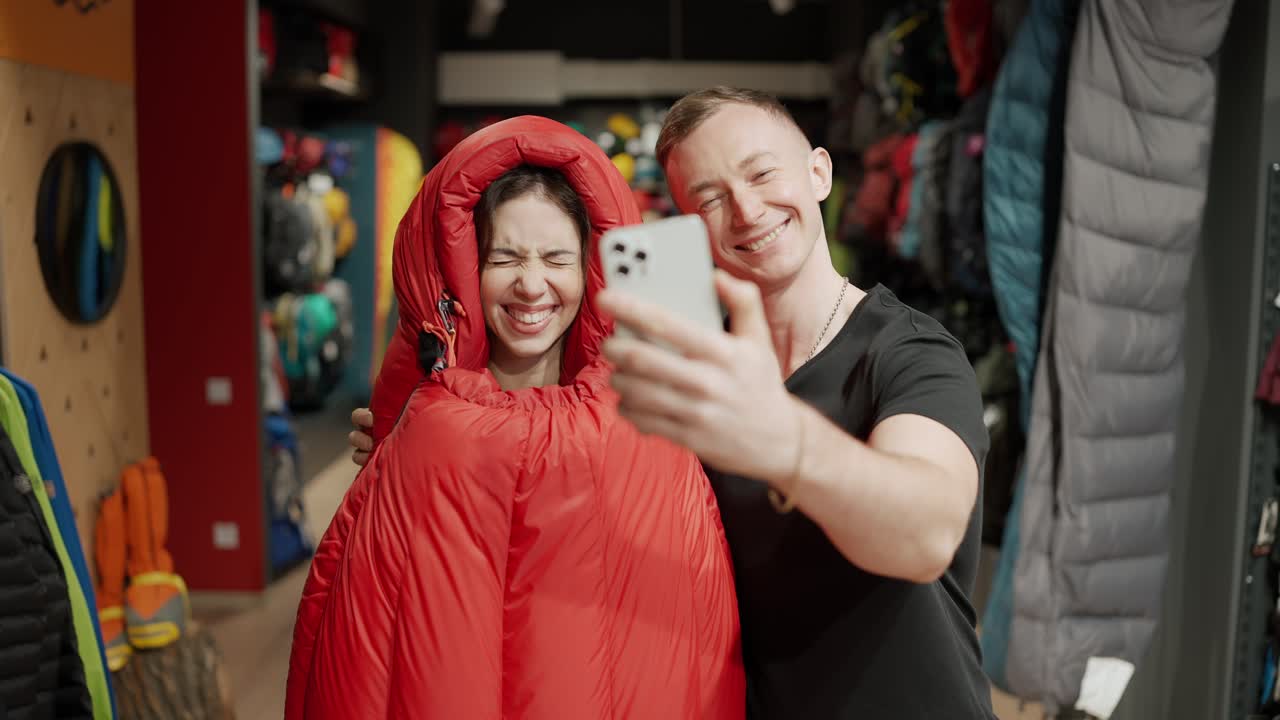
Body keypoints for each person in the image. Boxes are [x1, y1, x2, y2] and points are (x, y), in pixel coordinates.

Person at [349, 89, 993, 719]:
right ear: (686, 229)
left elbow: (927, 532)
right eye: (710, 197)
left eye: (762, 172)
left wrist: (788, 444)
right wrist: (415, 448)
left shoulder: (910, 352)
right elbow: (553, 454)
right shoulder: (679, 355)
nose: (746, 210)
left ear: (819, 171)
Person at [288, 116, 743, 720]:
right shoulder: (421, 431)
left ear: (591, 267)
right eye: (504, 258)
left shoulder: (646, 420)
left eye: (557, 258)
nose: (532, 286)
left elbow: (688, 627)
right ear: (463, 270)